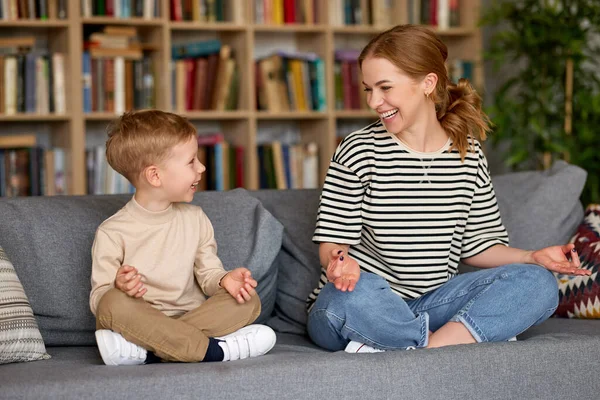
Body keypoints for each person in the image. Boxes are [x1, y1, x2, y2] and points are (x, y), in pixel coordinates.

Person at [307, 24, 591, 353]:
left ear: (428, 83)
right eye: (368, 89)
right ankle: (452, 341)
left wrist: (531, 256)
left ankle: (418, 348)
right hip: (364, 301)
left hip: (433, 304)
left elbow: (476, 246)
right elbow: (333, 242)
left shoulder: (467, 154)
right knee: (344, 299)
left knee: (537, 282)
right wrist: (340, 262)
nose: (374, 101)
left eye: (385, 87)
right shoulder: (358, 149)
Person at [90, 110, 276, 365]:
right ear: (155, 176)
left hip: (189, 317)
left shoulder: (196, 218)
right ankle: (214, 351)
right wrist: (119, 287)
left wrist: (225, 280)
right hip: (140, 321)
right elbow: (100, 300)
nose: (201, 167)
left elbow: (208, 274)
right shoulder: (112, 231)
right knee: (112, 303)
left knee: (248, 300)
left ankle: (150, 352)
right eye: (191, 161)